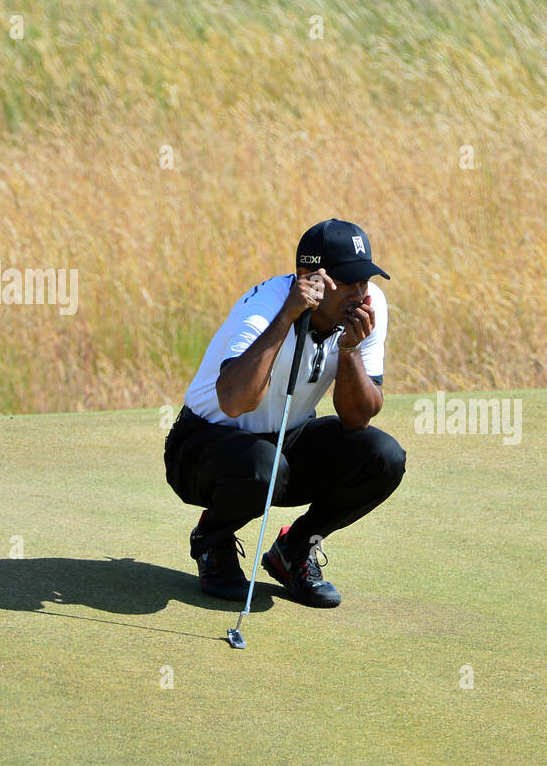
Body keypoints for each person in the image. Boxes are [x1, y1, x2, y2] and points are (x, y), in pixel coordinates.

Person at [164, 219, 406, 608]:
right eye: (348, 283)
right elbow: (234, 401)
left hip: (285, 442)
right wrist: (288, 316)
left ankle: (293, 551)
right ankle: (213, 540)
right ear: (310, 278)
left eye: (364, 281)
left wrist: (349, 351)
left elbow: (357, 418)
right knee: (264, 465)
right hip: (204, 448)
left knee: (383, 456)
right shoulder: (263, 306)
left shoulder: (369, 304)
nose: (360, 295)